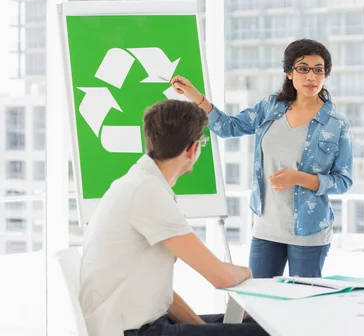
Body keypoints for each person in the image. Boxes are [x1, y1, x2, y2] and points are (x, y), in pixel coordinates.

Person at [79, 100, 268, 336]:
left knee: (258, 325)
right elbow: (221, 277)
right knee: (267, 332)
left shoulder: (140, 183)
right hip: (133, 331)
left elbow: (161, 295)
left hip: (142, 322)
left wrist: (204, 328)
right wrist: (247, 273)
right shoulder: (148, 193)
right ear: (192, 149)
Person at [171, 38, 353, 279]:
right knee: (258, 301)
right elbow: (228, 127)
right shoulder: (270, 108)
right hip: (266, 226)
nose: (311, 77)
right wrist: (196, 96)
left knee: (304, 305)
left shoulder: (336, 124)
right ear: (289, 72)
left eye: (318, 70)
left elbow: (343, 181)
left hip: (310, 231)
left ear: (325, 74)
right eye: (303, 68)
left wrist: (299, 178)